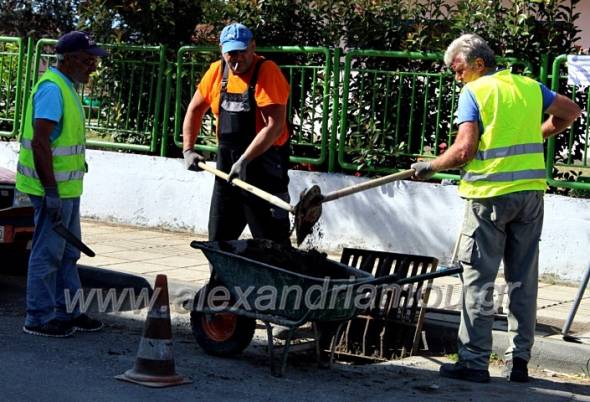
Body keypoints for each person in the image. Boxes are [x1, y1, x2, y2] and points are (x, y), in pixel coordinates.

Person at [411, 34, 581, 383]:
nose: (456, 77)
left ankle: (473, 362)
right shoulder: (528, 87)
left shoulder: (475, 92)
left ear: (477, 64)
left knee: (479, 281)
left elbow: (464, 151)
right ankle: (519, 362)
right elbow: (570, 112)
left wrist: (430, 166)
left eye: (457, 70)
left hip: (489, 198)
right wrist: (538, 133)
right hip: (530, 197)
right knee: (523, 279)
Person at [16, 31, 108, 337]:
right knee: (48, 253)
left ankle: (68, 311)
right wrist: (51, 192)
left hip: (67, 191)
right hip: (51, 191)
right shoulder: (52, 89)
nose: (93, 65)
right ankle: (38, 317)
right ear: (69, 59)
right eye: (88, 59)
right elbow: (41, 143)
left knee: (67, 253)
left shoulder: (66, 87)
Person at [182, 23, 291, 245]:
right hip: (227, 165)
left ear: (253, 47)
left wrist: (245, 160)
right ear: (222, 50)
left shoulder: (267, 71)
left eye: (242, 52)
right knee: (220, 235)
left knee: (271, 240)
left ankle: (281, 279)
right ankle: (218, 279)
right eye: (231, 53)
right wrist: (188, 149)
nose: (237, 59)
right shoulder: (216, 71)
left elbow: (275, 126)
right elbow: (194, 110)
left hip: (264, 166)